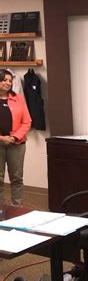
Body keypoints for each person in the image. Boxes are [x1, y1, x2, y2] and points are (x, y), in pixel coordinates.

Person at [0, 69, 32, 207]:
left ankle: (17, 209)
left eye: (10, 81)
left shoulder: (18, 98)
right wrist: (2, 138)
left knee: (17, 179)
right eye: (4, 80)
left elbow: (27, 121)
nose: (8, 83)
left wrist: (14, 137)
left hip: (17, 145)